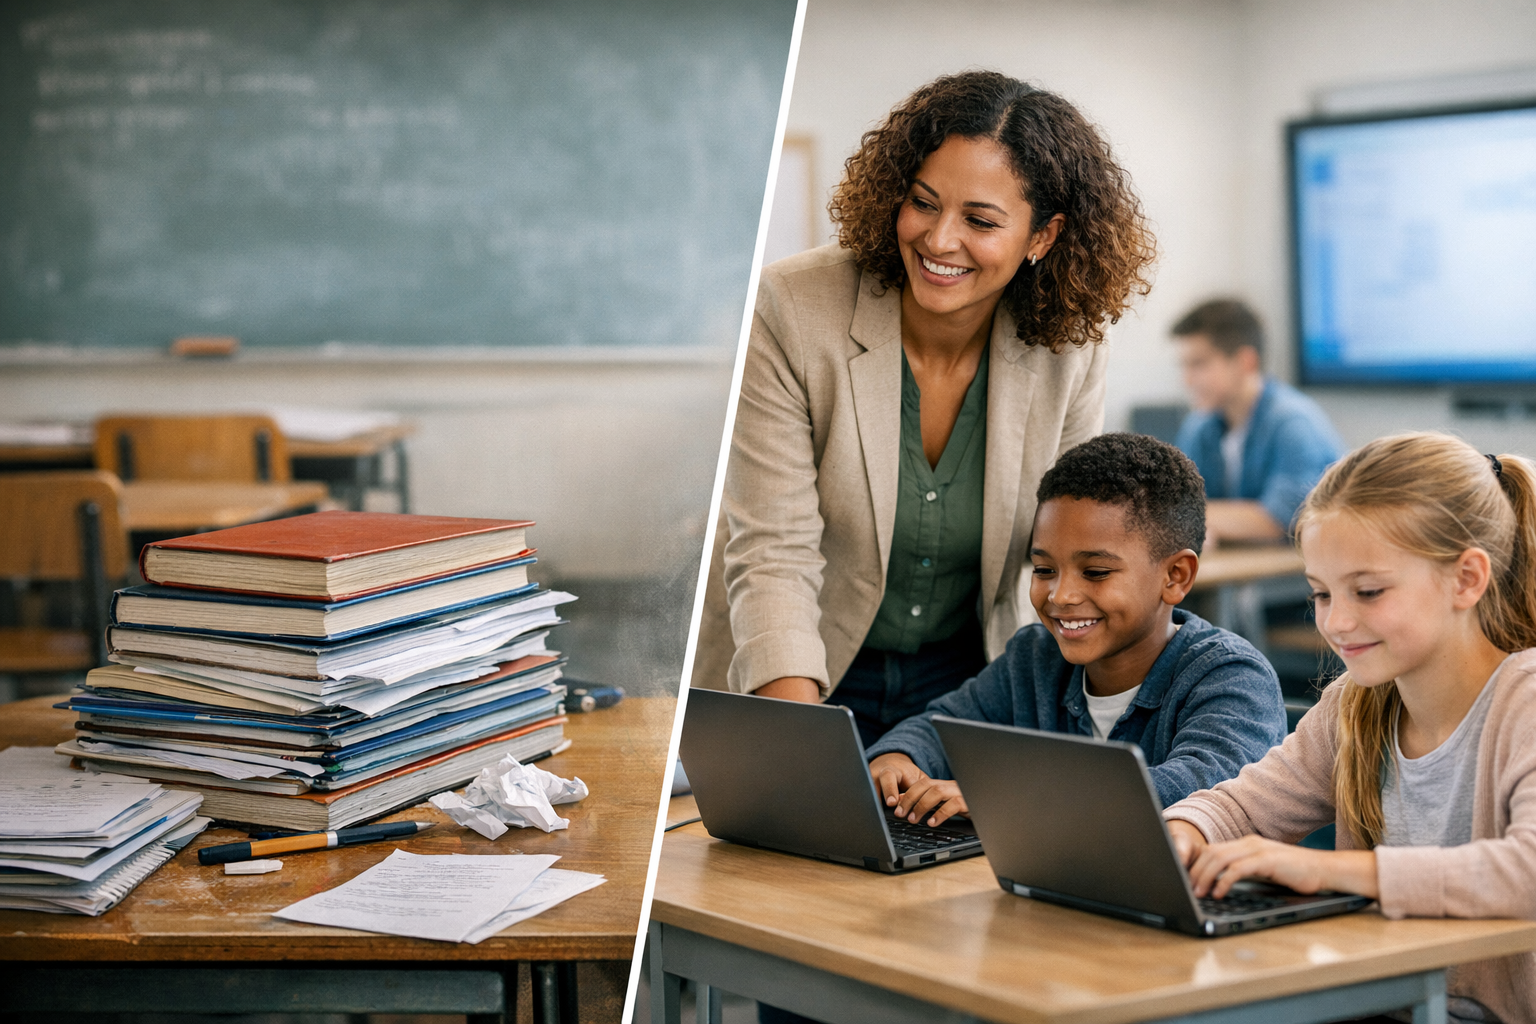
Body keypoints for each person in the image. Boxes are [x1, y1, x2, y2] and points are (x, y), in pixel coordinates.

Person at [690, 71, 1158, 749]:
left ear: (1043, 236)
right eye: (923, 202)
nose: (939, 240)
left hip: (965, 687)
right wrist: (800, 747)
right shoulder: (793, 308)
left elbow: (1069, 548)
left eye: (980, 220)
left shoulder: (1070, 347)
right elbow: (772, 552)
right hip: (795, 673)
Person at [1164, 433, 1536, 1024]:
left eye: (1368, 591)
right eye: (1320, 593)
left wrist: (1329, 871)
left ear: (1467, 579)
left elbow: (1526, 874)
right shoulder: (1357, 704)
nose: (1335, 622)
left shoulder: (1526, 698)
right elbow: (1243, 808)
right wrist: (1181, 833)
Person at [864, 433, 1286, 826]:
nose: (1061, 595)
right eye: (1044, 569)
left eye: (1096, 572)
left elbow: (1196, 789)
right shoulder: (1035, 659)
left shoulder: (1232, 678)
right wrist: (899, 757)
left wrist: (1008, 797)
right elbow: (944, 725)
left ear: (1175, 576)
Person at [1171, 299, 1342, 542]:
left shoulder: (1293, 423)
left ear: (1245, 361)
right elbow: (1181, 502)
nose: (1187, 380)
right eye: (1184, 366)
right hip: (1234, 576)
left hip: (1295, 578)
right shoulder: (1200, 426)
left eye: (1199, 364)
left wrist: (1190, 516)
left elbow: (1279, 519)